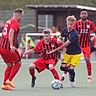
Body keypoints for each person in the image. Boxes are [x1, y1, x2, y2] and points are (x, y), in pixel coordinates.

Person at [49, 15, 81, 87]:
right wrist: (58, 40)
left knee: (71, 68)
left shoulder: (74, 34)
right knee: (62, 67)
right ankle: (71, 72)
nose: (69, 25)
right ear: (66, 23)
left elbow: (65, 45)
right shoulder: (64, 30)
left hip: (76, 54)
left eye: (71, 24)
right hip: (68, 53)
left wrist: (54, 50)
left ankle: (72, 81)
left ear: (73, 24)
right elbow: (61, 37)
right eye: (68, 24)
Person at [0, 8, 24, 90]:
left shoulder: (8, 21)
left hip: (1, 47)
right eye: (21, 16)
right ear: (18, 15)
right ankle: (9, 80)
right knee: (19, 62)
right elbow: (11, 32)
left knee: (10, 65)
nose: (22, 18)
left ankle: (4, 84)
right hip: (7, 47)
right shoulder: (15, 22)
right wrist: (11, 45)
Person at [73, 9, 96, 83]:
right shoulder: (76, 23)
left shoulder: (90, 23)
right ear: (80, 15)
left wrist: (93, 38)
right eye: (82, 13)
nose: (83, 15)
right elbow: (72, 32)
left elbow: (95, 31)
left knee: (87, 59)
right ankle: (65, 74)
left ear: (87, 15)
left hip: (86, 45)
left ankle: (89, 76)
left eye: (85, 13)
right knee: (72, 60)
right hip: (77, 45)